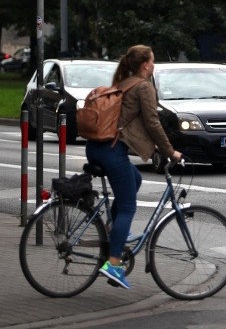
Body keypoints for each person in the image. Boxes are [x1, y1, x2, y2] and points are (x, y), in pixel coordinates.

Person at [85, 45, 182, 289]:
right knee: (128, 206)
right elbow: (152, 122)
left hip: (97, 147)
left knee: (135, 180)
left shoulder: (124, 82)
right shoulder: (142, 86)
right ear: (145, 65)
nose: (154, 65)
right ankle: (114, 263)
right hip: (112, 150)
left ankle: (112, 228)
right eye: (153, 61)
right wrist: (170, 151)